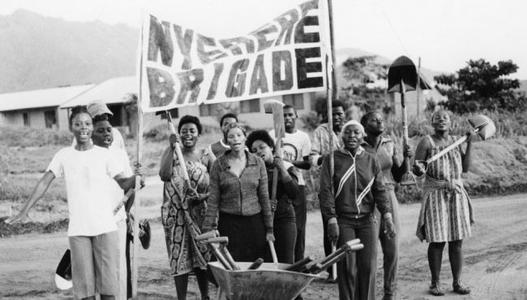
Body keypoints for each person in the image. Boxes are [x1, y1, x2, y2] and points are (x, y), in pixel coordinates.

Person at [6, 107, 140, 300]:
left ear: (91, 127)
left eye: (87, 123)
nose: (83, 128)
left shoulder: (105, 155)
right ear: (71, 127)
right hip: (79, 231)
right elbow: (45, 181)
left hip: (105, 228)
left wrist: (135, 179)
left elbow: (123, 183)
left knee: (109, 292)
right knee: (85, 293)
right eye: (78, 124)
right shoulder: (63, 155)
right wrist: (25, 210)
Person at [320, 120, 395, 300]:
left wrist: (387, 216)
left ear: (363, 137)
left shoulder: (370, 160)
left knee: (368, 266)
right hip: (343, 220)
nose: (352, 136)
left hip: (367, 219)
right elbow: (325, 191)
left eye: (356, 132)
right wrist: (331, 219)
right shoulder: (332, 159)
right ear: (341, 136)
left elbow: (380, 190)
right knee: (347, 267)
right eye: (348, 132)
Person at [413, 110, 474, 296]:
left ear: (451, 122)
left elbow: (465, 168)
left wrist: (469, 142)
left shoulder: (457, 141)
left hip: (456, 193)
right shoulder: (426, 142)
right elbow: (417, 171)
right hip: (436, 194)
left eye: (445, 117)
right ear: (432, 122)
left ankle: (457, 282)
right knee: (437, 240)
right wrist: (417, 167)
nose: (441, 120)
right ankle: (435, 283)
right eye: (437, 118)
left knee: (457, 240)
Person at [158, 115, 214, 300]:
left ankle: (205, 296)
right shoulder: (173, 154)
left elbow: (217, 184)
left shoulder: (206, 155)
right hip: (176, 215)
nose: (187, 134)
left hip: (200, 213)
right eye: (183, 131)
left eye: (192, 130)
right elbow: (164, 175)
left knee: (201, 257)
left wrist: (201, 197)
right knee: (178, 257)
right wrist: (171, 146)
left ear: (199, 133)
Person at [202, 123, 274, 262]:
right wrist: (208, 228)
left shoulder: (258, 162)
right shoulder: (218, 164)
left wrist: (269, 228)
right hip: (229, 223)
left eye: (239, 135)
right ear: (227, 140)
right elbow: (213, 200)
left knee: (256, 264)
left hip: (254, 222)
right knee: (232, 265)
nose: (235, 139)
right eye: (231, 136)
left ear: (245, 138)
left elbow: (264, 197)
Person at [361, 111, 413, 300]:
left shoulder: (389, 143)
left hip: (389, 193)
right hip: (367, 200)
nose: (380, 121)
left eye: (381, 119)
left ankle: (389, 293)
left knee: (392, 249)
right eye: (375, 119)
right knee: (371, 252)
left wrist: (407, 158)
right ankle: (369, 295)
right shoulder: (358, 145)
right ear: (365, 123)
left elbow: (399, 175)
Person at [91, 112, 134, 300]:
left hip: (117, 219)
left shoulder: (119, 153)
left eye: (109, 130)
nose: (107, 134)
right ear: (91, 134)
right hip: (95, 221)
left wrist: (127, 210)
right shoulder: (85, 157)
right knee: (98, 267)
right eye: (100, 131)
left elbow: (129, 185)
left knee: (118, 266)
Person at [246, 130, 298, 263]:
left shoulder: (286, 166)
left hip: (284, 219)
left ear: (271, 147)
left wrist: (282, 169)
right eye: (254, 150)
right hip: (262, 221)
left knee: (286, 261)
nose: (258, 151)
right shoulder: (251, 171)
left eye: (262, 147)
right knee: (266, 261)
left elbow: (294, 193)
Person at [269, 105, 311, 262]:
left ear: (296, 116)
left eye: (290, 115)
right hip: (277, 185)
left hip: (296, 183)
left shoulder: (303, 137)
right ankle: (280, 261)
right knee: (280, 225)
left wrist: (287, 162)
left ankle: (298, 262)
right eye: (284, 115)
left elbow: (307, 164)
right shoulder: (273, 134)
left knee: (299, 227)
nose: (287, 118)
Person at [310, 100, 346, 281]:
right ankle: (332, 271)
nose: (338, 117)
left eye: (341, 113)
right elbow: (313, 158)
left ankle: (346, 268)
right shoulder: (320, 132)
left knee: (346, 228)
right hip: (329, 186)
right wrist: (327, 157)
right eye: (335, 114)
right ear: (328, 115)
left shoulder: (350, 130)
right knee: (330, 228)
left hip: (347, 187)